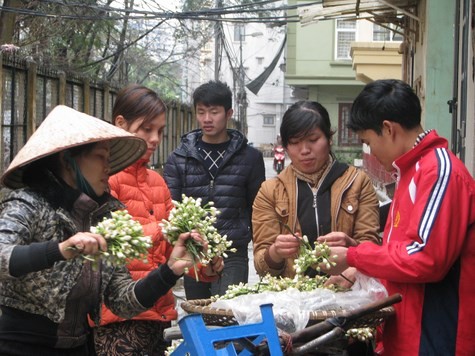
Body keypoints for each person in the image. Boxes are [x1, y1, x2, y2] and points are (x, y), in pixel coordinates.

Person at [0, 105, 222, 355]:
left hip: (78, 346)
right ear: (67, 160)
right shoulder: (28, 203)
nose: (108, 167)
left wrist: (170, 271)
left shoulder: (99, 217)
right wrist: (61, 250)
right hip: (20, 346)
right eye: (100, 157)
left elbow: (121, 300)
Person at [322, 79, 475, 355]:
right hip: (410, 333)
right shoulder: (410, 171)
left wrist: (355, 257)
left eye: (368, 142)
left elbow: (425, 258)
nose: (369, 151)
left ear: (388, 129)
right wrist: (357, 252)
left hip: (436, 337)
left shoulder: (439, 171)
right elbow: (404, 250)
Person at [91, 85, 224, 355]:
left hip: (158, 314)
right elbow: (114, 243)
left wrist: (202, 263)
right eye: (146, 129)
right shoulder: (104, 179)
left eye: (160, 131)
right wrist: (166, 230)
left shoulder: (157, 182)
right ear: (121, 124)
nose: (155, 139)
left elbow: (169, 254)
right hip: (118, 320)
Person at [252, 100, 381, 288]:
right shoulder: (270, 191)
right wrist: (275, 252)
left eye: (313, 140)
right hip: (293, 301)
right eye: (295, 143)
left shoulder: (357, 182)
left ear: (329, 138)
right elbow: (262, 267)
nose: (305, 150)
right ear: (286, 147)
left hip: (347, 298)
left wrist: (350, 244)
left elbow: (373, 250)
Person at [164, 80, 266, 299]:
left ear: (228, 113)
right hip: (194, 252)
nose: (207, 119)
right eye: (201, 112)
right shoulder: (179, 158)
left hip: (232, 251)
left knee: (227, 316)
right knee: (198, 315)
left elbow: (257, 207)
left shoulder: (250, 158)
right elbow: (171, 208)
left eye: (214, 112)